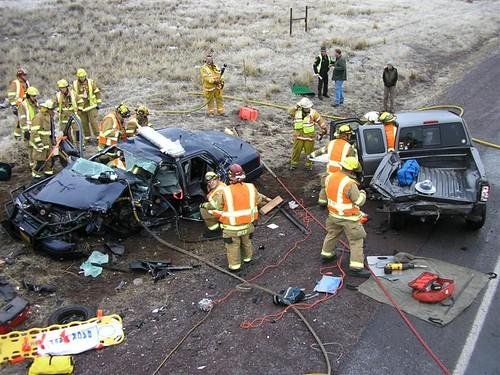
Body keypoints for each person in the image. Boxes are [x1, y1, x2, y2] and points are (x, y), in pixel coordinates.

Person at [204, 164, 267, 271]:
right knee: (246, 242)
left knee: (233, 247)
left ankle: (235, 267)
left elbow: (217, 206)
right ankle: (247, 259)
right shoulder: (251, 187)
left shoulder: (225, 191)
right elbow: (258, 200)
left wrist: (206, 206)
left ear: (230, 177)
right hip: (248, 225)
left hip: (231, 228)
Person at [320, 156, 370, 278]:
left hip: (333, 216)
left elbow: (326, 195)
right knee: (356, 240)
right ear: (352, 170)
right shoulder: (349, 184)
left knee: (332, 234)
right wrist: (363, 193)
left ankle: (326, 254)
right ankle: (356, 267)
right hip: (349, 218)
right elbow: (358, 201)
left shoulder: (329, 177)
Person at [308, 124, 358, 206]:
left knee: (325, 187)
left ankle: (322, 202)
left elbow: (321, 150)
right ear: (345, 135)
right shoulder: (349, 147)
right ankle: (336, 203)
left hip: (329, 172)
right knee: (339, 188)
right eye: (349, 135)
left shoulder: (331, 143)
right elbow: (352, 161)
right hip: (340, 173)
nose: (350, 137)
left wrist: (312, 155)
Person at [288, 97, 327, 170]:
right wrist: (297, 105)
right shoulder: (297, 112)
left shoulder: (313, 113)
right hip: (298, 136)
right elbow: (290, 112)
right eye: (306, 108)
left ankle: (309, 165)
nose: (307, 109)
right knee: (296, 151)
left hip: (309, 137)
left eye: (308, 107)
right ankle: (294, 164)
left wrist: (324, 129)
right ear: (302, 107)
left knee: (309, 152)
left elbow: (320, 121)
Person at [30, 99, 57, 179]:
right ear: (47, 109)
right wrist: (39, 144)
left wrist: (53, 140)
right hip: (40, 145)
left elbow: (51, 131)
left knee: (50, 161)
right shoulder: (39, 117)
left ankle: (48, 176)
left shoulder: (49, 117)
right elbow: (34, 132)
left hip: (48, 143)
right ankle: (36, 178)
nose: (54, 111)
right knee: (40, 163)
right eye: (52, 110)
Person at [73, 68, 101, 143]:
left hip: (91, 106)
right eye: (80, 77)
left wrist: (98, 103)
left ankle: (98, 137)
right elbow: (73, 96)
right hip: (81, 108)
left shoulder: (90, 82)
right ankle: (87, 138)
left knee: (93, 122)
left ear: (85, 76)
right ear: (78, 77)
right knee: (84, 123)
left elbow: (97, 92)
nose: (82, 78)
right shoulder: (75, 84)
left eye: (83, 76)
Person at [199, 171, 227, 238]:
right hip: (225, 208)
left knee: (203, 210)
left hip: (226, 212)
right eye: (209, 182)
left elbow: (215, 206)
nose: (211, 183)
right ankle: (221, 224)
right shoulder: (220, 185)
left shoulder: (219, 191)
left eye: (213, 180)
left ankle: (215, 230)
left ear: (217, 179)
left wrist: (203, 205)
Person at [18, 86, 39, 150]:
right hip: (28, 130)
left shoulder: (36, 103)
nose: (35, 97)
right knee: (30, 149)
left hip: (36, 129)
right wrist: (26, 131)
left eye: (35, 96)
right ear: (28, 96)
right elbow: (22, 119)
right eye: (33, 96)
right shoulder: (23, 105)